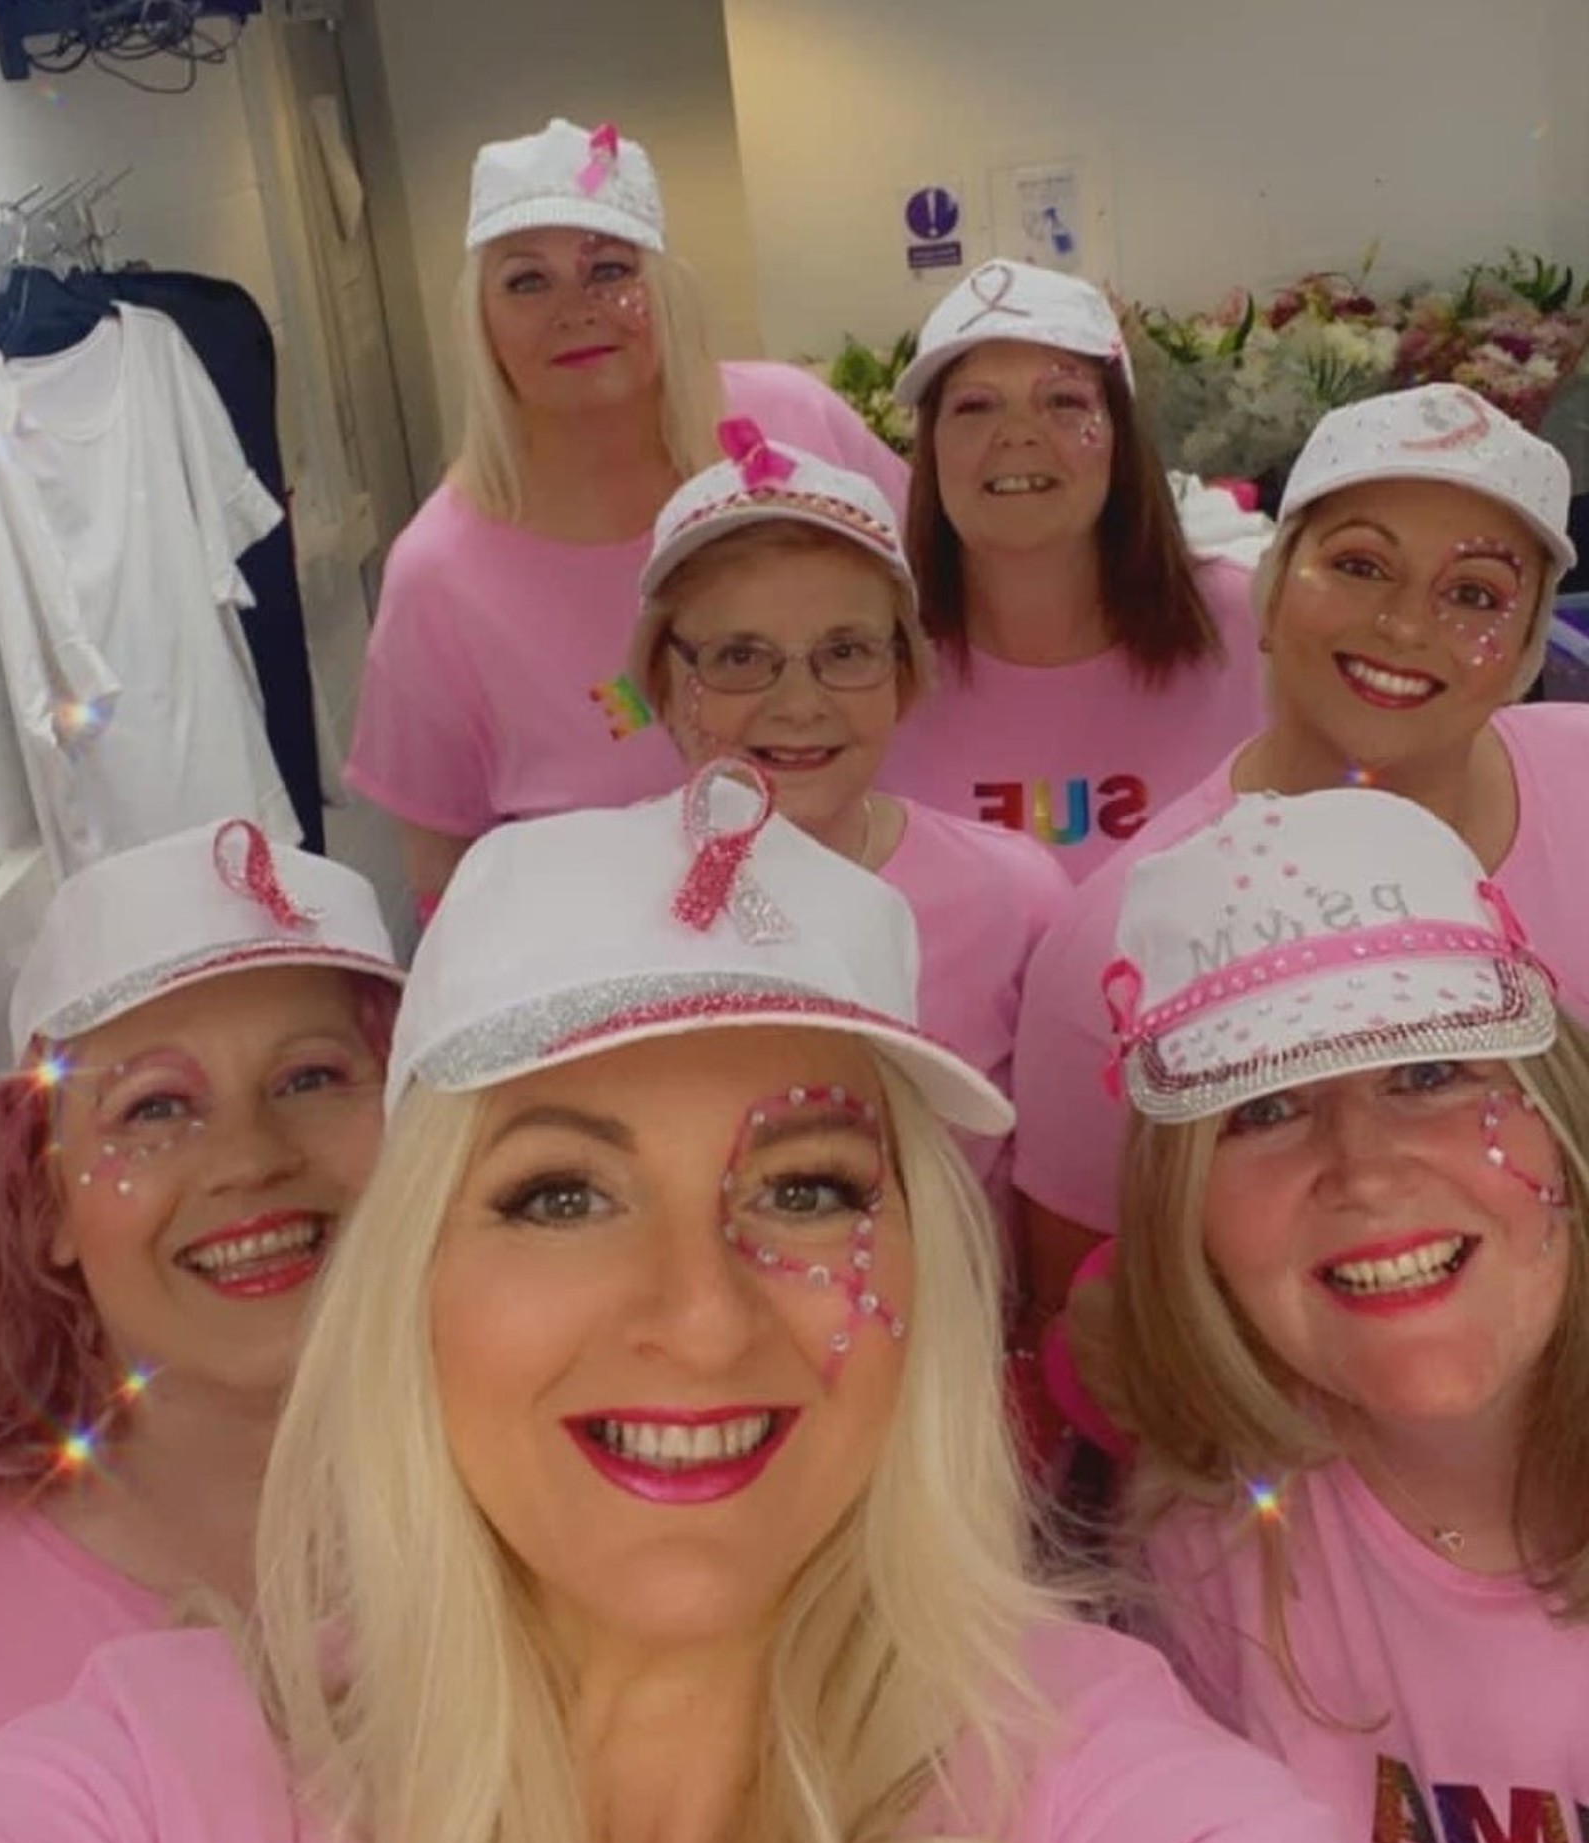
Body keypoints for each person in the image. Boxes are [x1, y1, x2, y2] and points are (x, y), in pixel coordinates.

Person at [0, 768, 1478, 1843]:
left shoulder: (1109, 1815)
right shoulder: (156, 1793)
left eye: (809, 1187)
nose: (699, 1319)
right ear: (412, 1283)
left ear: (927, 1267)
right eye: (561, 1193)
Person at [1072, 783, 1589, 1843]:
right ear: (1183, 1219)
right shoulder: (1211, 1546)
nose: (1364, 1167)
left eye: (1431, 1069)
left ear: (1561, 1123)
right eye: (1266, 1108)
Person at [1013, 382, 1583, 1315]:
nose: (1405, 625)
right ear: (1269, 599)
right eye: (1360, 566)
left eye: (1474, 593)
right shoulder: (1119, 940)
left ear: (1526, 652)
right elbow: (1091, 1326)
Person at [343, 117, 907, 914]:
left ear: (666, 291)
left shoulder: (797, 425)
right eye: (527, 281)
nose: (576, 309)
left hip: (887, 927)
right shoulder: (438, 575)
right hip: (621, 998)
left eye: (609, 269)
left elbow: (957, 624)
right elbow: (445, 880)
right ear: (482, 320)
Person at [0, 819, 400, 1729]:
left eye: (311, 1079)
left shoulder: (560, 1502)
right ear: (48, 1201)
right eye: (157, 1106)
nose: (247, 1160)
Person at [627, 429, 1072, 1218]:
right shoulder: (591, 899)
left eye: (845, 651)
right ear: (665, 678)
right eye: (739, 657)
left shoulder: (1014, 899)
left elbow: (1054, 1206)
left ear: (903, 673)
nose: (800, 704)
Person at [877, 259, 1266, 880]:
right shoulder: (864, 660)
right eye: (975, 406)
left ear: (1119, 435)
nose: (1018, 435)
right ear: (927, 448)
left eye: (1063, 401)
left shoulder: (1252, 633)